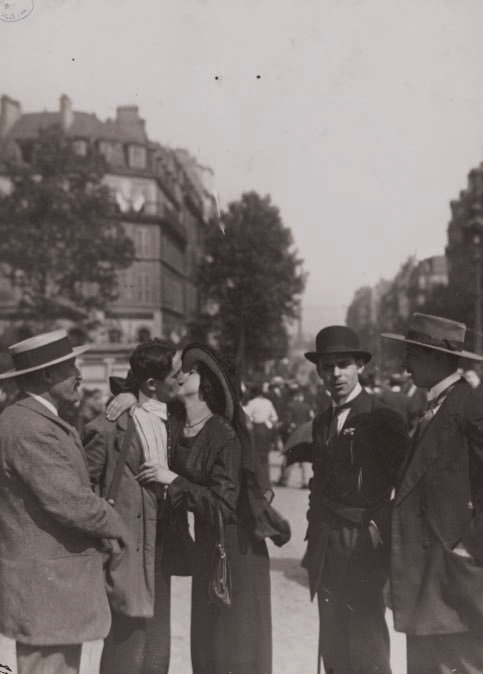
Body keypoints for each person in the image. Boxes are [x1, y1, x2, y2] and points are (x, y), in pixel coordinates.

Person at [109, 343, 274, 674]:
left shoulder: (224, 434)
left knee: (234, 646)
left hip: (237, 551)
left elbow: (224, 504)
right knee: (206, 646)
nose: (181, 374)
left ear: (209, 383)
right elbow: (147, 388)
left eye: (191, 370)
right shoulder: (177, 421)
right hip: (208, 550)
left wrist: (174, 481)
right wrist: (128, 396)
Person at [0, 330, 129, 674]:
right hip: (46, 591)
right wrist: (118, 524)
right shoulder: (29, 427)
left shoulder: (35, 419)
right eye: (70, 367)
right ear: (45, 375)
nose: (79, 375)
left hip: (52, 589)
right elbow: (71, 501)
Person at [303, 325, 409, 674]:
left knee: (366, 645)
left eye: (343, 364)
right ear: (319, 371)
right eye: (328, 367)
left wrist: (381, 534)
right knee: (333, 645)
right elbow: (319, 484)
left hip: (363, 541)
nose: (335, 374)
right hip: (326, 543)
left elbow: (404, 487)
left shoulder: (382, 418)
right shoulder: (321, 422)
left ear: (359, 366)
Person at [382, 313, 483, 674]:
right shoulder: (438, 405)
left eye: (412, 354)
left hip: (453, 582)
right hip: (428, 582)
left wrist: (468, 548)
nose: (404, 365)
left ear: (439, 359)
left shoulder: (471, 406)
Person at [83, 339, 186, 674]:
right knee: (126, 645)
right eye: (176, 374)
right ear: (152, 384)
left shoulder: (177, 418)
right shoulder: (111, 425)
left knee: (157, 648)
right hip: (126, 547)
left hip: (162, 546)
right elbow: (83, 486)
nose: (182, 379)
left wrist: (129, 391)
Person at [244, 384, 279, 484]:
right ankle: (266, 479)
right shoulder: (268, 402)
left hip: (257, 428)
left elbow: (245, 414)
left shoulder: (252, 403)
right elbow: (275, 418)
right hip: (266, 429)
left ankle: (257, 479)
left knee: (256, 455)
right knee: (265, 455)